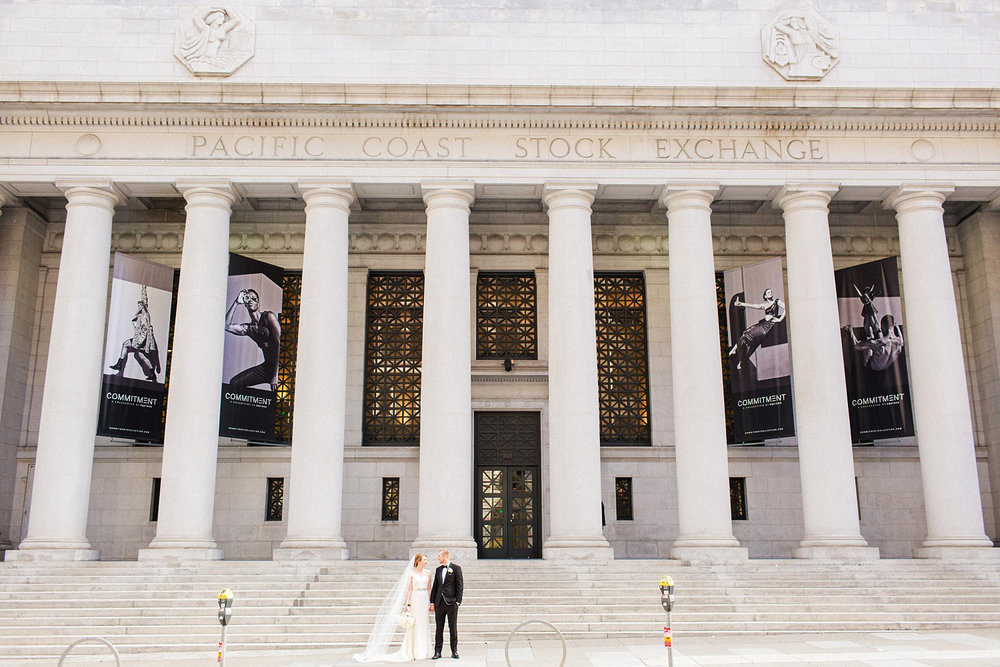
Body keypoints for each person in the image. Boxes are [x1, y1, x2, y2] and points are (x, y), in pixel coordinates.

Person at [354, 553, 433, 663]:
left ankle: (425, 651)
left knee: (424, 624)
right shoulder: (411, 573)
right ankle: (413, 651)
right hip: (415, 599)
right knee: (415, 624)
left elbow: (429, 588)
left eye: (426, 559)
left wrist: (431, 602)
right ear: (418, 561)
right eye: (424, 559)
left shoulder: (428, 573)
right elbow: (409, 590)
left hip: (424, 599)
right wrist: (407, 605)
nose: (426, 561)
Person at [225, 288, 280, 392]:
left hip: (278, 367)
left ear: (258, 304)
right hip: (266, 368)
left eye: (254, 299)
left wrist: (275, 375)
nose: (251, 300)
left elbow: (279, 344)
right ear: (245, 304)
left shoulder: (268, 317)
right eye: (248, 298)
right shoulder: (249, 329)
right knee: (234, 383)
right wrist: (236, 302)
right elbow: (226, 326)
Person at [108, 285, 161, 382]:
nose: (139, 306)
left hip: (141, 340)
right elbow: (144, 298)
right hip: (139, 339)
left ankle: (119, 364)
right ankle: (152, 373)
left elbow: (146, 331)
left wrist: (140, 342)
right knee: (141, 356)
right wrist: (143, 289)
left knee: (128, 346)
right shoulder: (141, 314)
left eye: (140, 305)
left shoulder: (145, 316)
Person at [728, 288, 786, 371]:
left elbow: (786, 307)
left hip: (768, 326)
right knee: (747, 338)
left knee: (749, 338)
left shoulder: (777, 301)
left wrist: (780, 319)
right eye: (768, 292)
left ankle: (736, 353)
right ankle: (739, 359)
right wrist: (741, 303)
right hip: (763, 324)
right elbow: (753, 305)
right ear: (765, 296)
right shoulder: (764, 305)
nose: (770, 293)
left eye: (771, 292)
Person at [429, 549, 463, 660]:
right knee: (439, 628)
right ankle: (437, 651)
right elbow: (435, 587)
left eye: (439, 556)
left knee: (452, 627)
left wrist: (458, 601)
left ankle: (454, 651)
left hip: (451, 602)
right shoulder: (438, 570)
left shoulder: (456, 568)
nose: (438, 558)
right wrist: (432, 602)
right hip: (439, 603)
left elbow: (459, 586)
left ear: (445, 556)